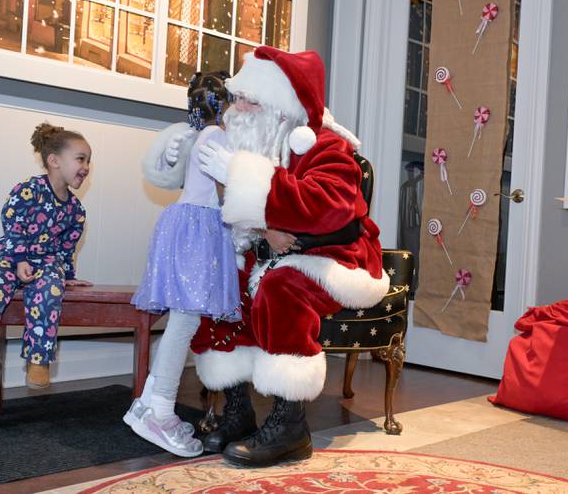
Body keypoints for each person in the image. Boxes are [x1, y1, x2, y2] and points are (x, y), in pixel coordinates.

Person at [191, 47, 388, 467]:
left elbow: (331, 207)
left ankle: (290, 426)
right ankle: (239, 412)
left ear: (280, 108)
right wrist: (264, 227)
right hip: (269, 250)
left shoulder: (326, 144)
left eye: (250, 101)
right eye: (237, 97)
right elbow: (249, 220)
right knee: (223, 280)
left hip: (333, 254)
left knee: (280, 286)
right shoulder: (253, 139)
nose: (238, 109)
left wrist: (244, 177)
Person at [126, 72, 296, 457]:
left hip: (190, 226)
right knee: (184, 322)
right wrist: (267, 231)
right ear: (227, 105)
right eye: (239, 100)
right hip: (200, 230)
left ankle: (151, 400)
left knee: (181, 320)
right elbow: (230, 195)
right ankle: (161, 409)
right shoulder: (218, 139)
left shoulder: (202, 135)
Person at [0, 123, 91, 390]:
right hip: (12, 258)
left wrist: (68, 275)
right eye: (80, 159)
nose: (87, 166)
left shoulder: (76, 210)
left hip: (46, 264)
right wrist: (19, 259)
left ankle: (38, 362)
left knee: (51, 290)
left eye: (89, 160)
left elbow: (66, 248)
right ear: (54, 160)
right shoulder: (29, 190)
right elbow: (11, 221)